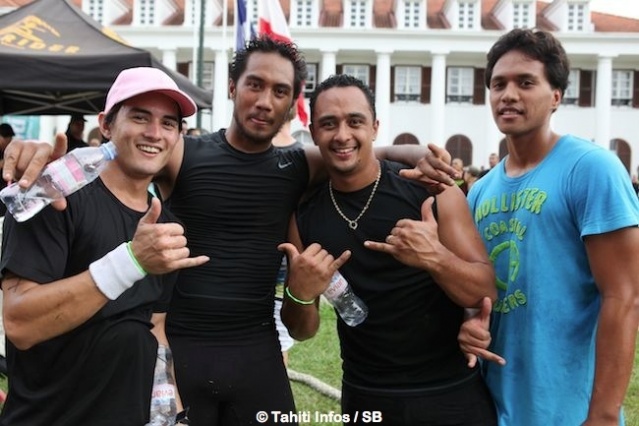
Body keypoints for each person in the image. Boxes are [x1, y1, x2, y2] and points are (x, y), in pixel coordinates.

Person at [1, 37, 459, 426]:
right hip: (183, 350)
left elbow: (353, 150)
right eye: (254, 84)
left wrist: (417, 152)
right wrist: (32, 152)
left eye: (280, 91)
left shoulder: (299, 165)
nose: (264, 101)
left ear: (292, 103)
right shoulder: (183, 152)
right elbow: (128, 151)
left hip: (257, 352)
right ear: (233, 87)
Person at [278, 74, 497, 426]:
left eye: (355, 121)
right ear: (314, 132)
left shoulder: (430, 190)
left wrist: (435, 258)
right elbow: (301, 330)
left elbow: (485, 290)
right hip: (366, 394)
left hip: (449, 392)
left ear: (375, 127)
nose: (343, 135)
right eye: (329, 124)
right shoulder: (305, 215)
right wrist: (299, 294)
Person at [0, 67, 208, 426]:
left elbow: (155, 329)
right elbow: (20, 324)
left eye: (168, 123)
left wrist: (172, 416)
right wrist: (131, 261)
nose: (154, 133)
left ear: (178, 136)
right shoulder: (54, 197)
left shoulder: (166, 229)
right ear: (106, 125)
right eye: (139, 117)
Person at [457, 28, 639, 426]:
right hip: (492, 405)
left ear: (556, 96)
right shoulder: (480, 191)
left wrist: (603, 415)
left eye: (526, 83)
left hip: (568, 411)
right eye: (498, 84)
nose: (508, 95)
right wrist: (470, 321)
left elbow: (624, 297)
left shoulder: (592, 169)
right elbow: (477, 288)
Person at [272, 106, 302, 367]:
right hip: (286, 265)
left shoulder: (306, 157)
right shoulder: (306, 157)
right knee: (279, 343)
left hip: (270, 265)